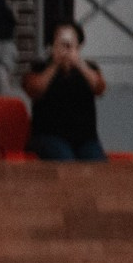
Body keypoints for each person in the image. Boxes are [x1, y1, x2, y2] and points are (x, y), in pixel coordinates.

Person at [23, 21, 108, 161]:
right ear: (52, 45)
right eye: (62, 43)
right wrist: (55, 64)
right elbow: (35, 89)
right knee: (65, 159)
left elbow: (99, 88)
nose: (66, 48)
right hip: (48, 136)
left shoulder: (89, 68)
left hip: (85, 138)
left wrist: (79, 63)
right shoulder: (39, 67)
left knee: (96, 163)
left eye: (71, 43)